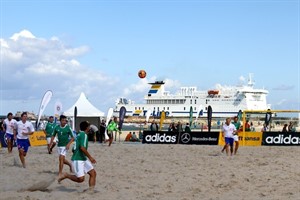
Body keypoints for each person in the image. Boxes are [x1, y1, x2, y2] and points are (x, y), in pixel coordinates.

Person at [58, 121, 97, 192]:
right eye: (89, 126)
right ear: (87, 128)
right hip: (78, 159)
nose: (90, 128)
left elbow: (73, 149)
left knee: (93, 173)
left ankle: (91, 190)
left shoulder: (79, 134)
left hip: (82, 158)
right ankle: (66, 175)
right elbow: (82, 148)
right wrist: (90, 157)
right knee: (81, 179)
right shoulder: (84, 135)